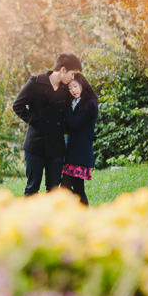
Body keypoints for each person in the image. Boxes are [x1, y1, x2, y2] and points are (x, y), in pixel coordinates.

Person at [13, 53, 82, 196]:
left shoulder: (66, 90)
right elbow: (18, 105)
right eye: (72, 73)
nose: (72, 77)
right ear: (63, 70)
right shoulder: (35, 83)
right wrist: (36, 121)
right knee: (32, 188)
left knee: (54, 190)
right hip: (35, 146)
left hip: (56, 148)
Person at [60, 73, 98, 205]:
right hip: (71, 152)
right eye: (70, 88)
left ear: (82, 85)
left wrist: (65, 106)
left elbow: (73, 124)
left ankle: (80, 216)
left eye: (75, 86)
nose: (73, 90)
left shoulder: (90, 103)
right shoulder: (74, 102)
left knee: (67, 188)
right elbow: (67, 126)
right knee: (77, 189)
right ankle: (83, 216)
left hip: (80, 153)